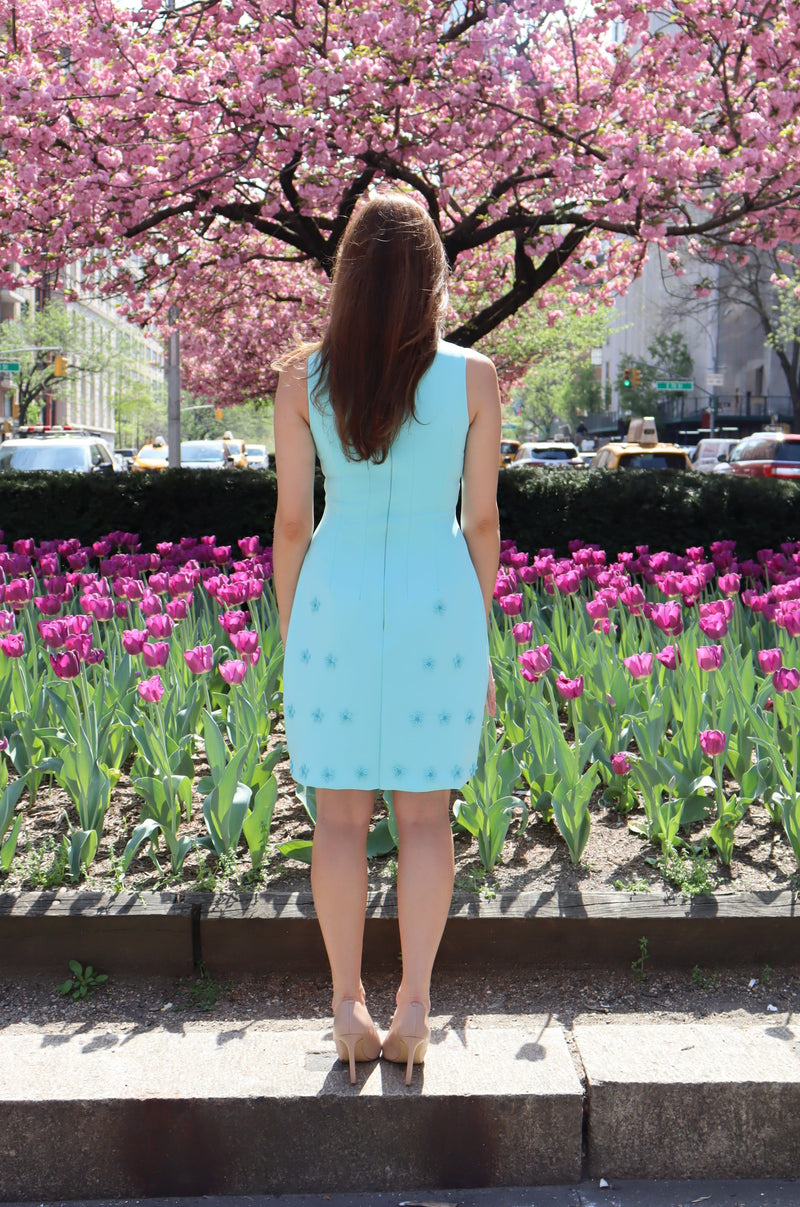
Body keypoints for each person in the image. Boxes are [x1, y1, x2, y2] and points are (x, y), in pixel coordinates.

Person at [273, 193, 501, 1085]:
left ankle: (345, 1007)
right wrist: (478, 635)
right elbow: (480, 521)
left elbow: (293, 524)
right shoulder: (475, 378)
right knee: (425, 817)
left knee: (337, 817)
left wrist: (293, 630)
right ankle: (412, 1009)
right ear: (434, 279)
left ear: (347, 281)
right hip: (438, 605)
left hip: (335, 601)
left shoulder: (304, 381)